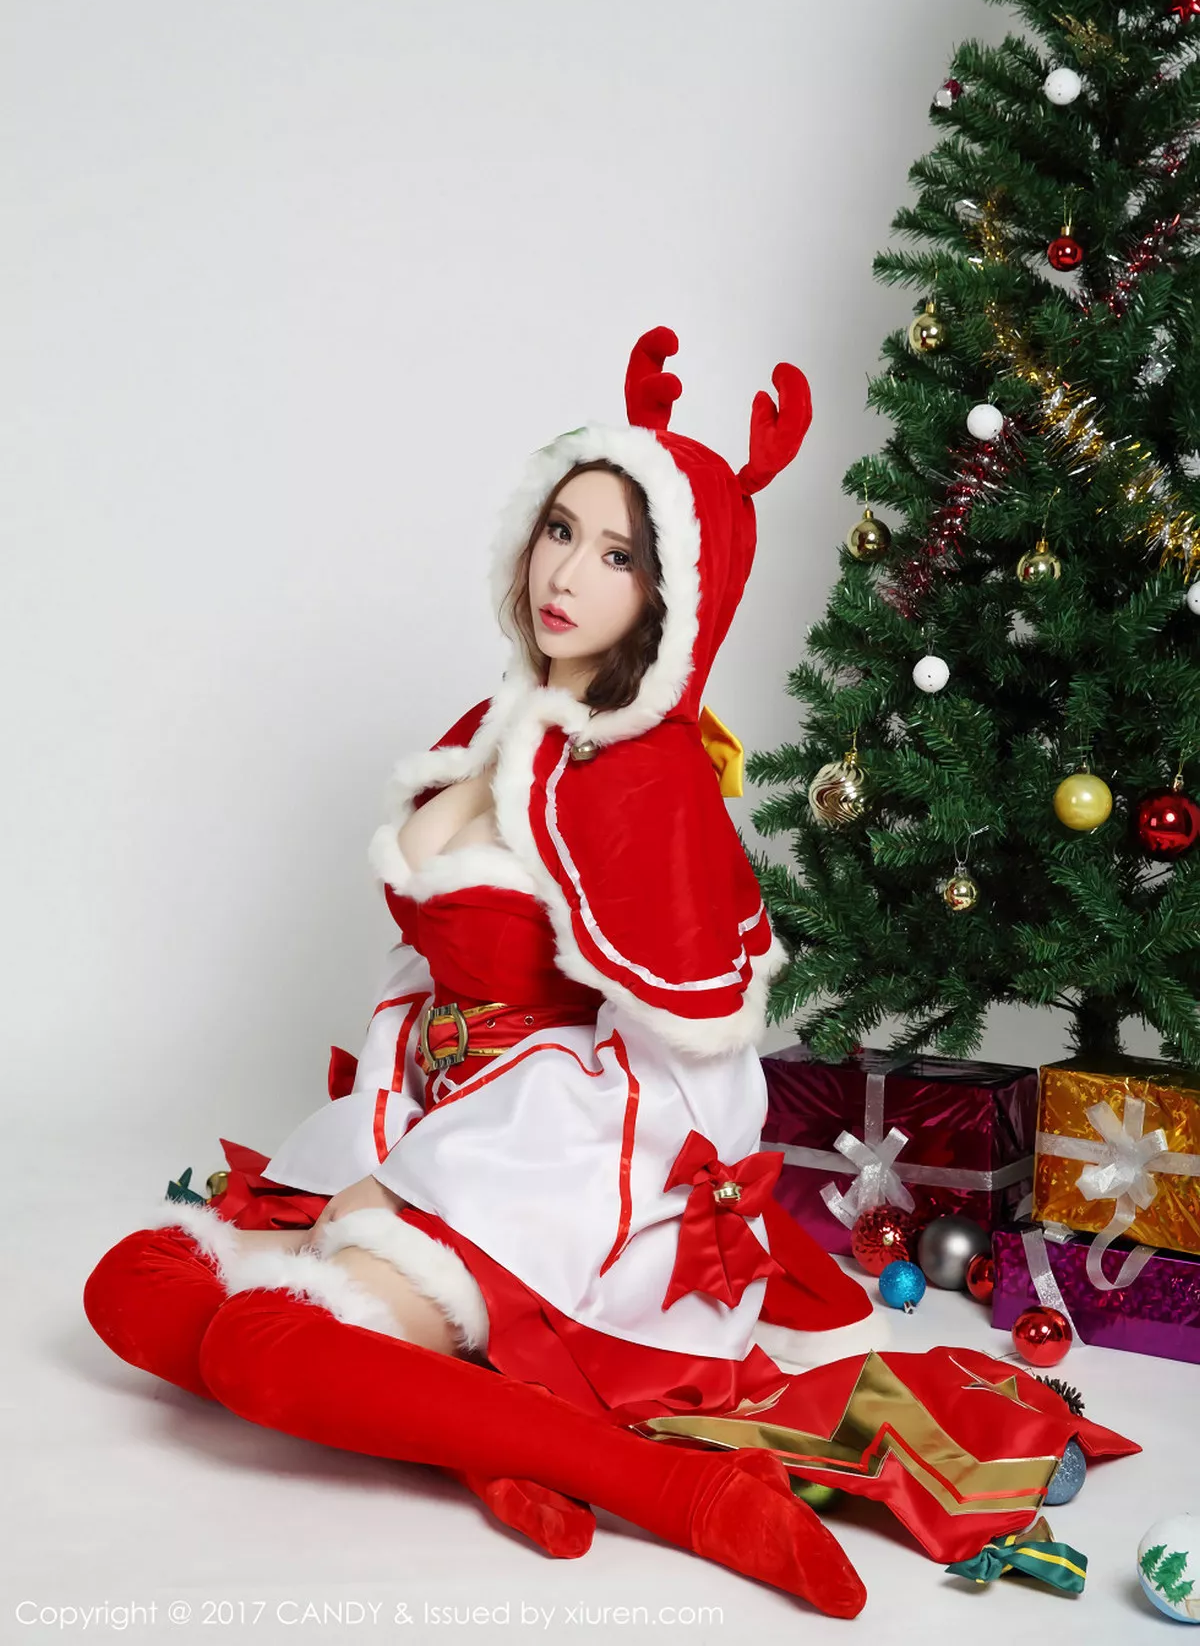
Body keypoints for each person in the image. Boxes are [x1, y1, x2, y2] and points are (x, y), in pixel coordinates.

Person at [83, 327, 879, 1618]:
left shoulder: (651, 779)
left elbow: (693, 1063)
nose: (565, 572)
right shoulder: (495, 724)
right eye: (560, 529)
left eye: (617, 554)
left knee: (260, 1351)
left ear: (671, 597)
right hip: (427, 1112)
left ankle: (669, 1492)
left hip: (545, 1168)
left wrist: (453, 1182)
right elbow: (428, 960)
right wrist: (383, 1131)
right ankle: (474, 1439)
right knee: (128, 1285)